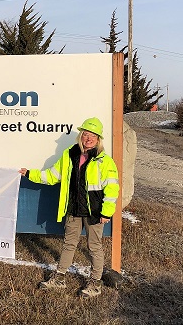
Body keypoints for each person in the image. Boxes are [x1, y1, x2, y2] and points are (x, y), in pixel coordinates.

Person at [19, 117, 119, 298]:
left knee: (94, 246)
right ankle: (59, 279)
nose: (88, 139)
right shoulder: (69, 154)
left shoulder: (105, 161)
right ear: (81, 136)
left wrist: (107, 212)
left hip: (94, 211)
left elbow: (112, 188)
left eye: (92, 136)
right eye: (86, 135)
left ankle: (95, 283)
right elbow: (52, 176)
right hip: (73, 208)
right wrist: (30, 174)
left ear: (98, 139)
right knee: (69, 244)